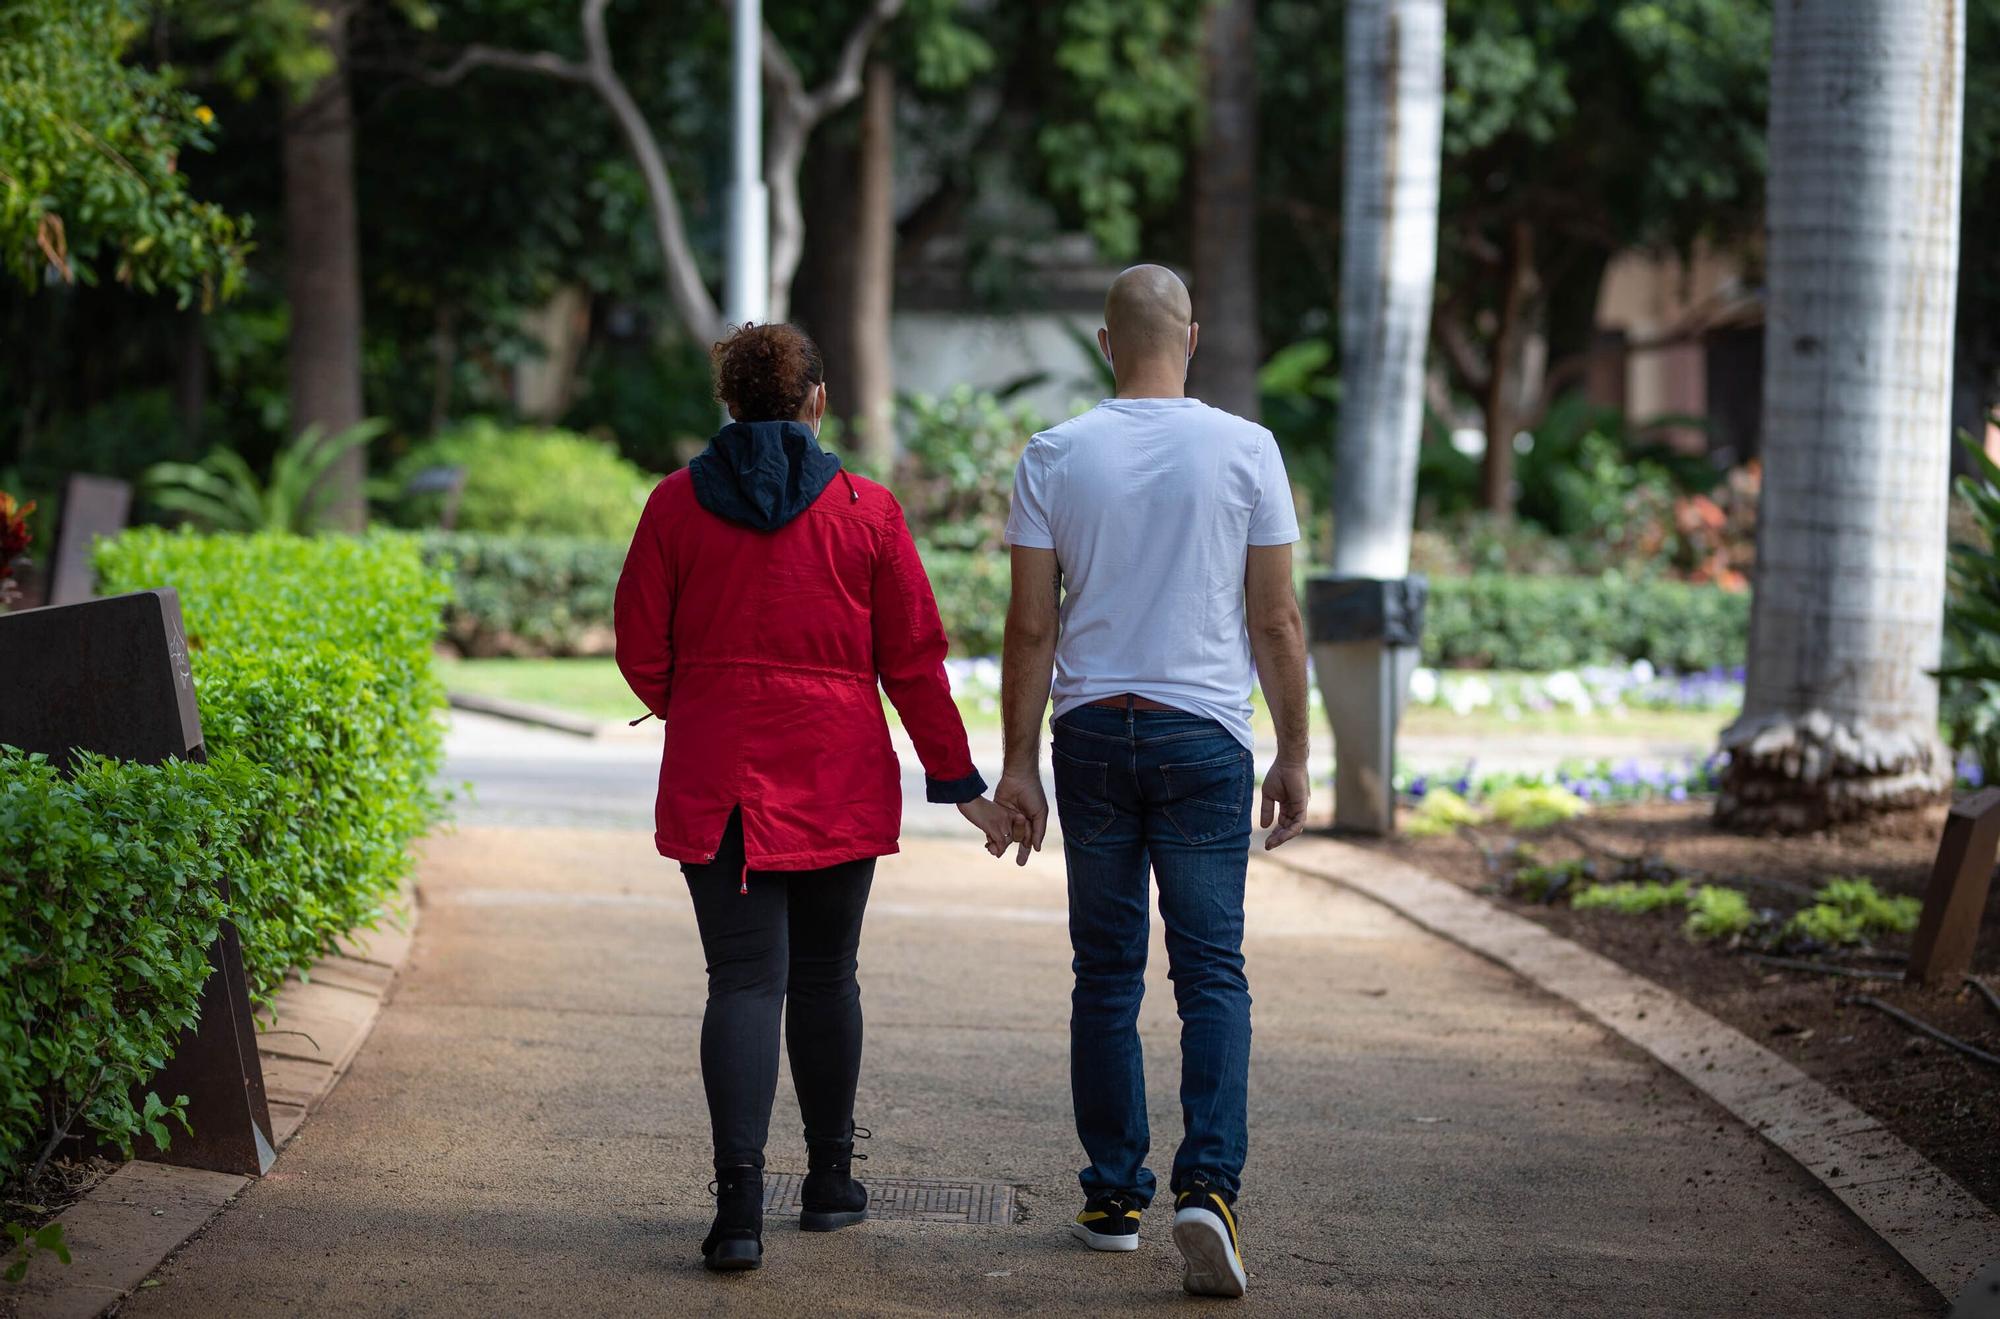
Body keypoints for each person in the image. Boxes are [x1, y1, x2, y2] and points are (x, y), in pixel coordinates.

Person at [614, 322, 1022, 1273]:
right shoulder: (866, 511)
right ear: (817, 403)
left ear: (729, 405)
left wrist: (700, 705)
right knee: (827, 976)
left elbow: (639, 645)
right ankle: (831, 1183)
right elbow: (914, 662)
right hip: (837, 775)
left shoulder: (674, 507)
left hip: (719, 783)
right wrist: (961, 784)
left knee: (743, 981)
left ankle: (738, 1210)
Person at [994, 264, 1311, 1299]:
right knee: (1211, 968)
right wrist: (1295, 751)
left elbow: (1031, 623)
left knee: (1105, 971)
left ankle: (1111, 1194)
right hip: (1204, 735)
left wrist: (1015, 762)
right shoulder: (1245, 448)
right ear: (1194, 337)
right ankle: (1207, 1190)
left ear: (1102, 343)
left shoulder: (1053, 453)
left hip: (1089, 734)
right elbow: (1275, 619)